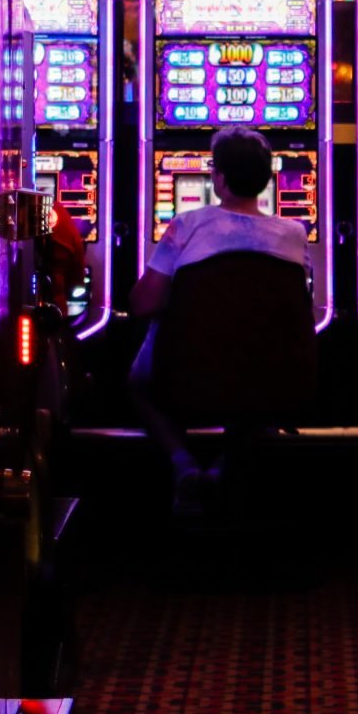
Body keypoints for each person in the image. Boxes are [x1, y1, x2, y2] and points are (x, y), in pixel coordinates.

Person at [127, 124, 312, 516]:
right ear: (265, 181)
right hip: (271, 372)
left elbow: (142, 305)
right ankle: (226, 469)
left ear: (219, 178)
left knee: (139, 383)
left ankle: (184, 465)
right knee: (252, 375)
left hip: (192, 372)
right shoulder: (294, 234)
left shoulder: (187, 225)